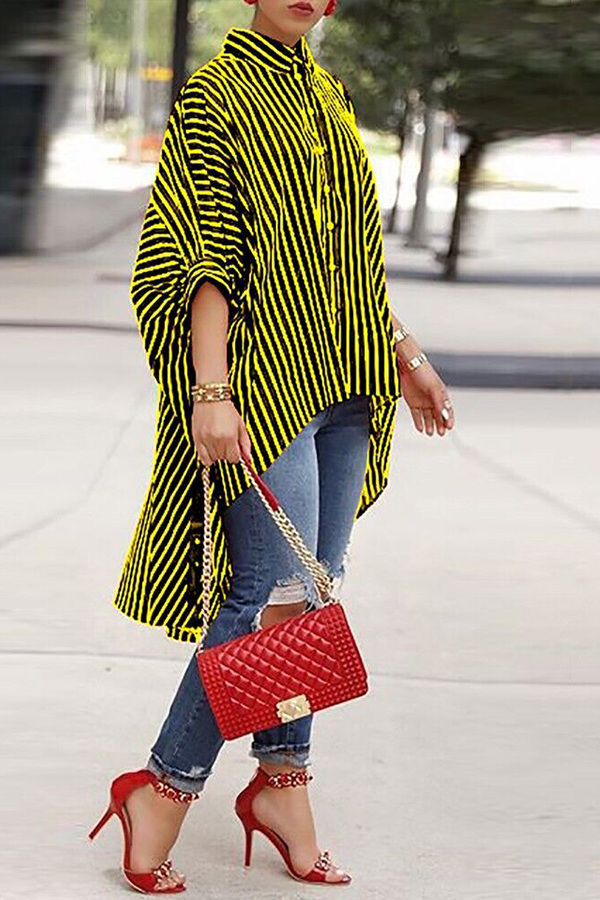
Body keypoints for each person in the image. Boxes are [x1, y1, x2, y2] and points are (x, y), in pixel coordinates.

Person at [89, 1, 455, 893]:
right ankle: (161, 790)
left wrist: (405, 351)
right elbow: (200, 253)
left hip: (348, 387)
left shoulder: (327, 95)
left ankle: (282, 787)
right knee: (258, 596)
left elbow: (344, 261)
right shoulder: (216, 93)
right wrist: (210, 390)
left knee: (308, 600)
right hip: (264, 382)